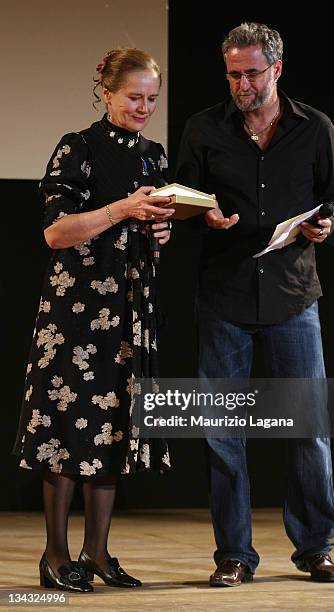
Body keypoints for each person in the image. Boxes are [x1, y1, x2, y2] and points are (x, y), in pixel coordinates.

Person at [176, 22, 334, 586]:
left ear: (276, 69)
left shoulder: (314, 128)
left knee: (307, 428)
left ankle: (316, 547)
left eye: (251, 73)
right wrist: (202, 213)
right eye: (233, 74)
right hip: (224, 294)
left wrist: (328, 224)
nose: (241, 84)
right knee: (222, 430)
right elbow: (181, 198)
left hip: (293, 296)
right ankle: (233, 554)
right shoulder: (203, 128)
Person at [13, 47, 174, 593]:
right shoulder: (76, 148)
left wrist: (160, 231)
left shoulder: (154, 155)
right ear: (106, 92)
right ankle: (56, 555)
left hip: (130, 306)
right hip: (77, 308)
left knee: (112, 422)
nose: (144, 108)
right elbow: (56, 232)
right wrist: (124, 210)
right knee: (64, 422)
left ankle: (98, 552)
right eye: (134, 98)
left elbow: (152, 232)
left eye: (152, 99)